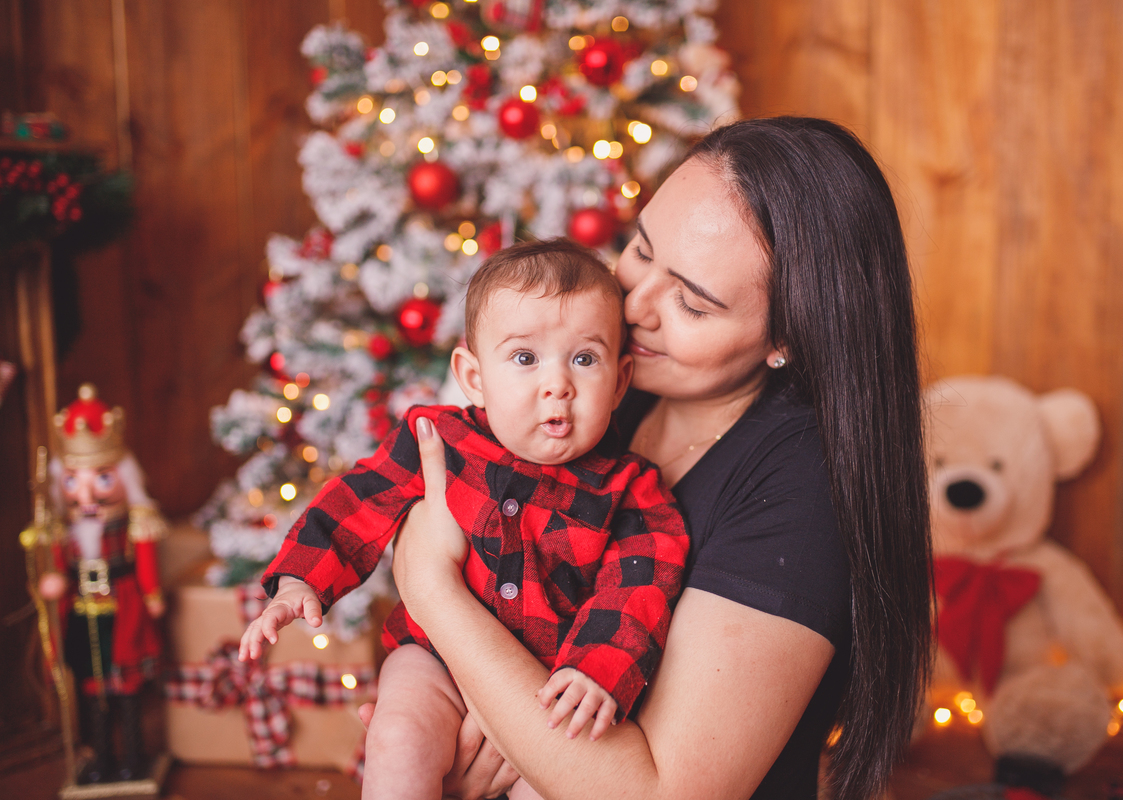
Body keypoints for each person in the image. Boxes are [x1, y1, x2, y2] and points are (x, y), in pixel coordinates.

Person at [385, 117, 933, 800]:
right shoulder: (604, 389)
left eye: (691, 303)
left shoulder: (802, 488)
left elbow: (659, 793)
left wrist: (430, 588)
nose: (633, 305)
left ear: (788, 337)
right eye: (641, 250)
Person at [239, 239, 690, 800]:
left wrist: (598, 669)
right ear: (473, 377)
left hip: (547, 686)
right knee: (399, 737)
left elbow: (639, 586)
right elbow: (359, 498)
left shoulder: (633, 493)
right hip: (433, 660)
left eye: (584, 358)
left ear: (620, 381)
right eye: (525, 358)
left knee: (554, 787)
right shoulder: (438, 437)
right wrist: (298, 580)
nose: (558, 385)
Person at [37, 383, 167, 783]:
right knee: (92, 690)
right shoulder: (65, 531)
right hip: (83, 613)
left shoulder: (133, 525)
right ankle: (102, 758)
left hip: (123, 608)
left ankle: (133, 757)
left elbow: (145, 565)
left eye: (103, 478)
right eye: (74, 480)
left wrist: (152, 594)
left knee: (125, 690)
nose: (87, 493)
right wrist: (53, 582)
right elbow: (59, 568)